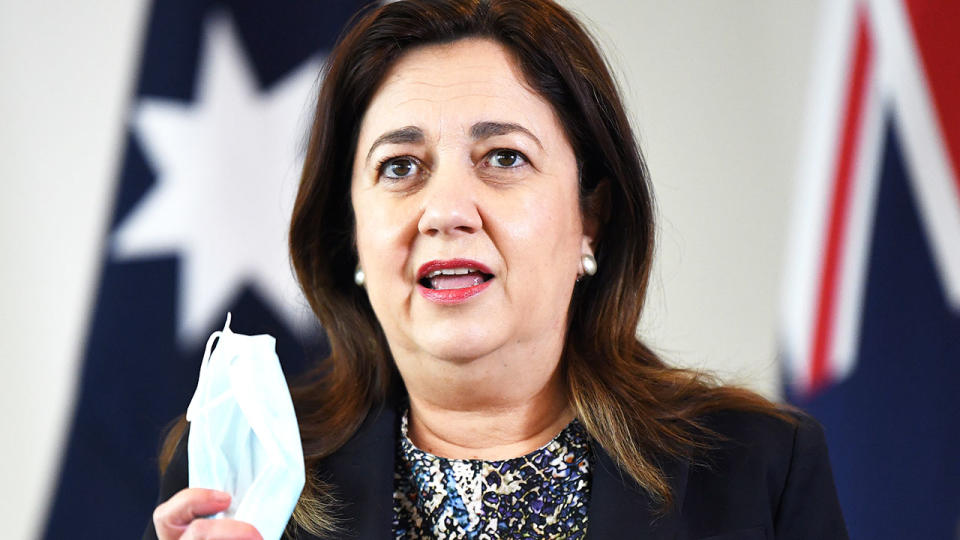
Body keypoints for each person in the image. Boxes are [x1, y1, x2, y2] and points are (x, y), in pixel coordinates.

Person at [145, 0, 848, 538]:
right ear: (352, 235)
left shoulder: (758, 470)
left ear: (591, 217)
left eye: (504, 158)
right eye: (400, 167)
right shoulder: (241, 474)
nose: (445, 210)